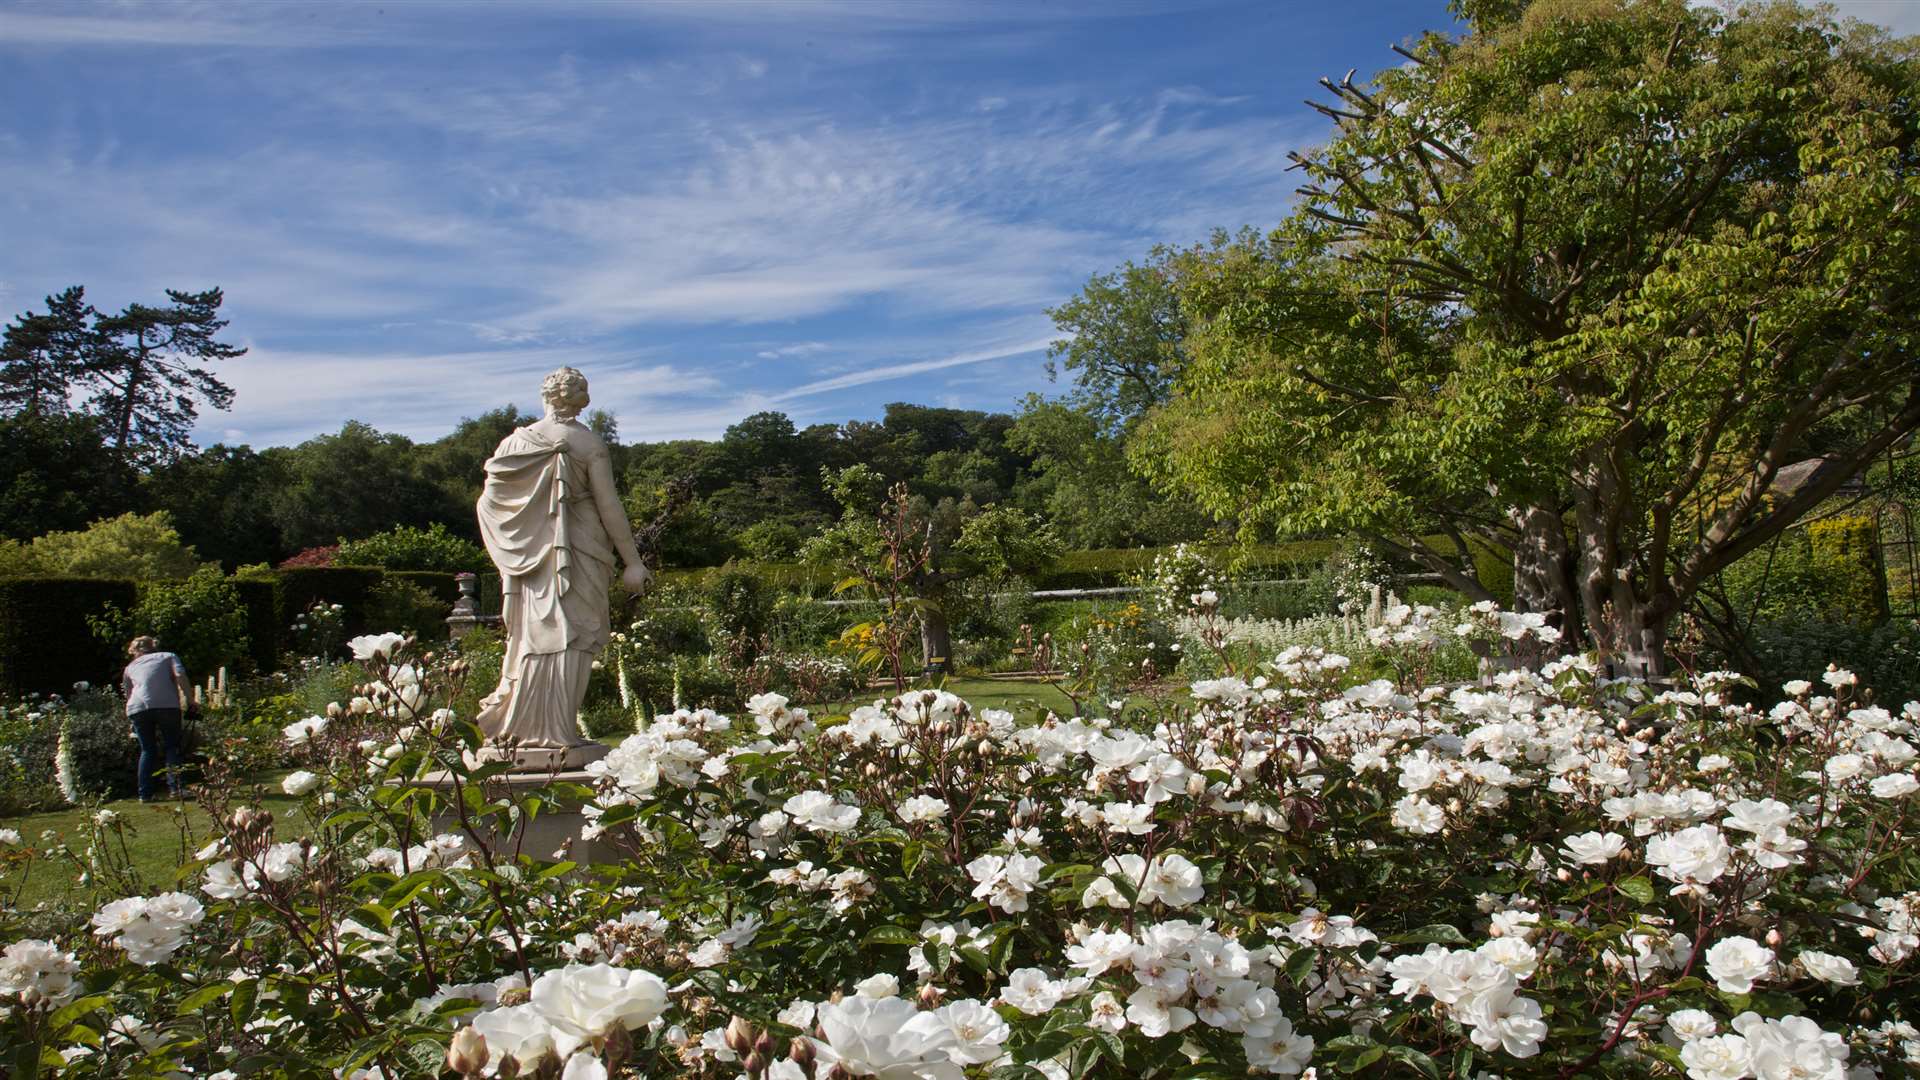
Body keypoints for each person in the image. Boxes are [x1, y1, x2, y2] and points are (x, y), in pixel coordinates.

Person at [474, 367, 651, 769]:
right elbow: (609, 506)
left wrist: (521, 544)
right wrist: (633, 562)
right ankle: (557, 730)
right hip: (580, 548)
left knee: (536, 636)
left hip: (530, 557)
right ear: (581, 398)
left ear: (546, 396)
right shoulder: (587, 442)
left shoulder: (514, 444)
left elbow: (490, 504)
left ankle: (528, 729)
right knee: (575, 634)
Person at [121, 636, 190, 802]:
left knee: (147, 750)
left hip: (137, 708)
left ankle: (145, 794)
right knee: (172, 746)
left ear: (134, 651)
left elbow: (128, 692)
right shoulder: (168, 656)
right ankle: (176, 788)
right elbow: (180, 675)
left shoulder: (130, 667)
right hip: (166, 705)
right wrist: (190, 698)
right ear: (154, 646)